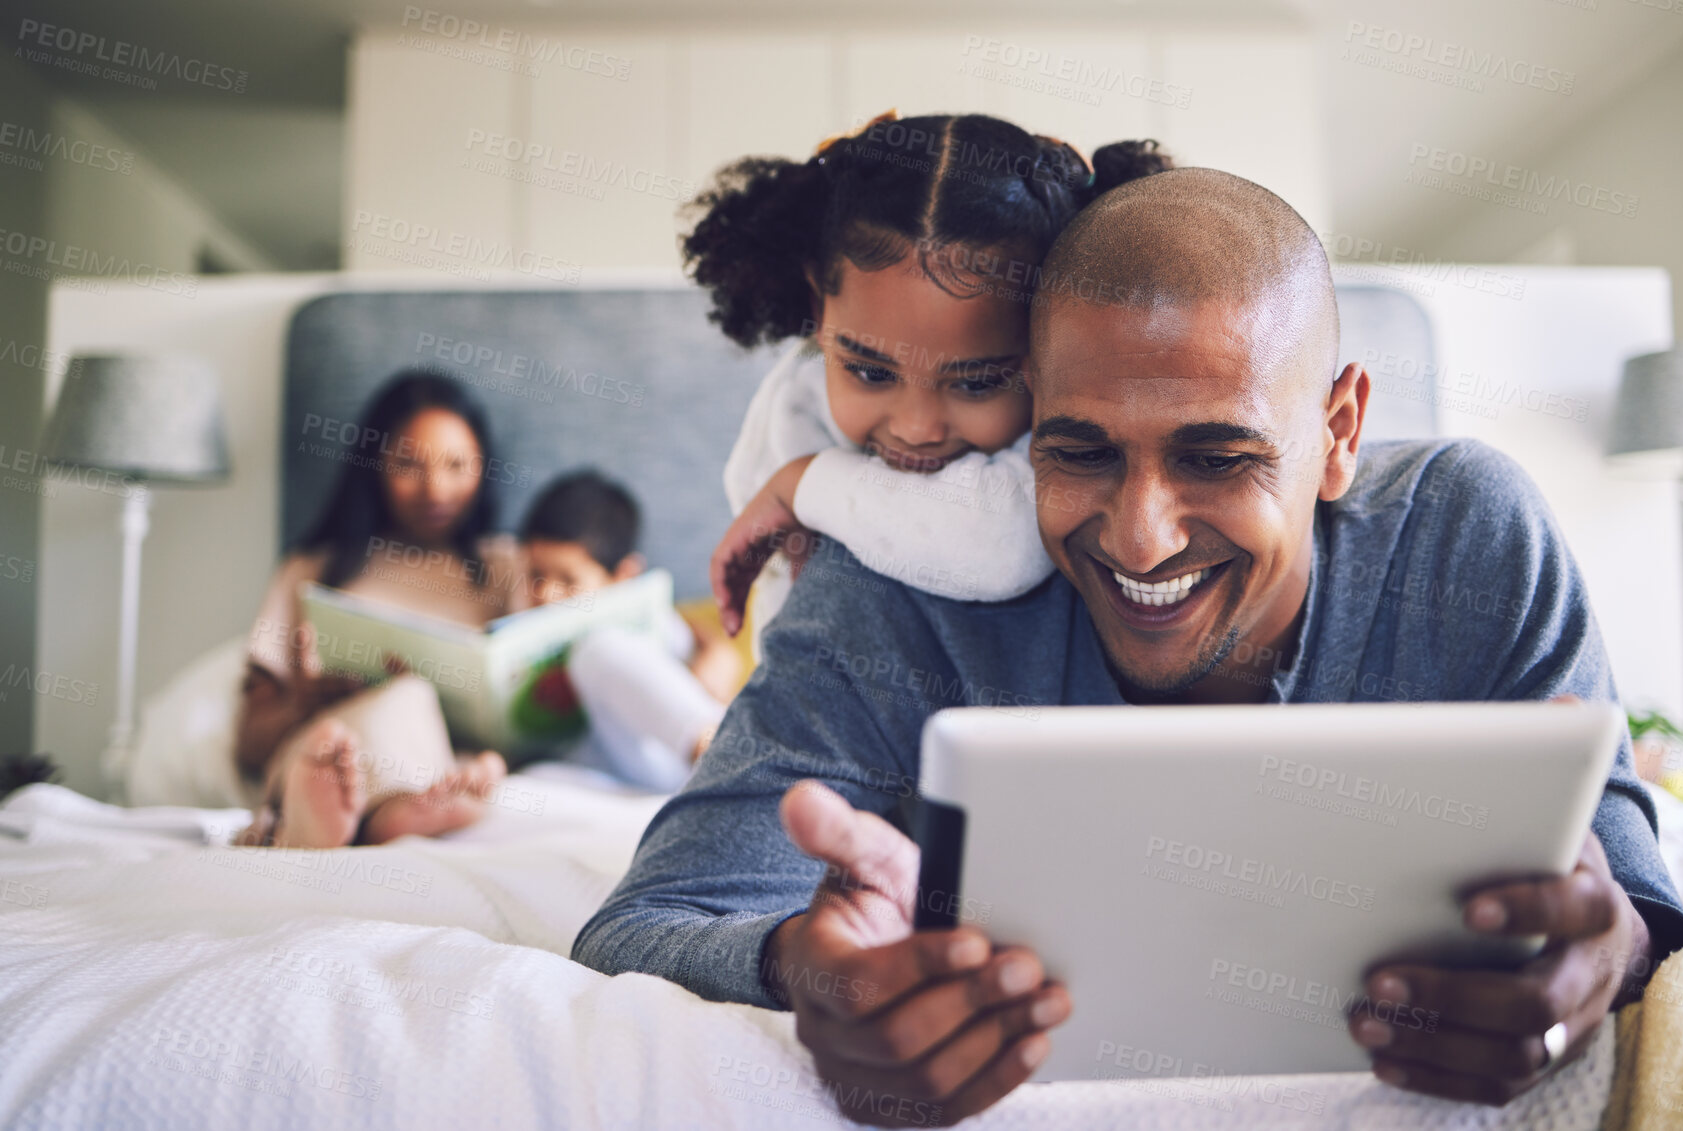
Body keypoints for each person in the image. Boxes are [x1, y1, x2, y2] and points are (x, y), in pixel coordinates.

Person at [575, 168, 1683, 1124]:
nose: (1139, 534)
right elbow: (643, 926)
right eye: (1081, 453)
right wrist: (805, 971)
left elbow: (1632, 896)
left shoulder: (1466, 536)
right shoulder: (893, 588)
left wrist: (1607, 959)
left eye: (1217, 457)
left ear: (1339, 431)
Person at [695, 111, 1173, 638]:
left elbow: (1001, 548)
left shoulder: (1074, 422)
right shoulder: (793, 400)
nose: (916, 428)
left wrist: (800, 485)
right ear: (819, 307)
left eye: (976, 383)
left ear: (1053, 340)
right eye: (870, 373)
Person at [234, 371, 519, 848]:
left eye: (457, 465)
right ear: (374, 465)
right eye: (409, 464)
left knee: (430, 717)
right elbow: (248, 743)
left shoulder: (505, 567)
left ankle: (367, 822)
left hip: (449, 762)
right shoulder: (311, 570)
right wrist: (300, 703)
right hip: (328, 747)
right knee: (370, 720)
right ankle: (346, 811)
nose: (435, 489)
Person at [518, 468, 742, 791]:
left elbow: (704, 659)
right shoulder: (519, 622)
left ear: (623, 577)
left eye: (568, 581)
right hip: (608, 780)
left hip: (672, 762)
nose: (545, 594)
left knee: (597, 650)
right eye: (536, 575)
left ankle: (729, 763)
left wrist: (715, 651)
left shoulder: (650, 626)